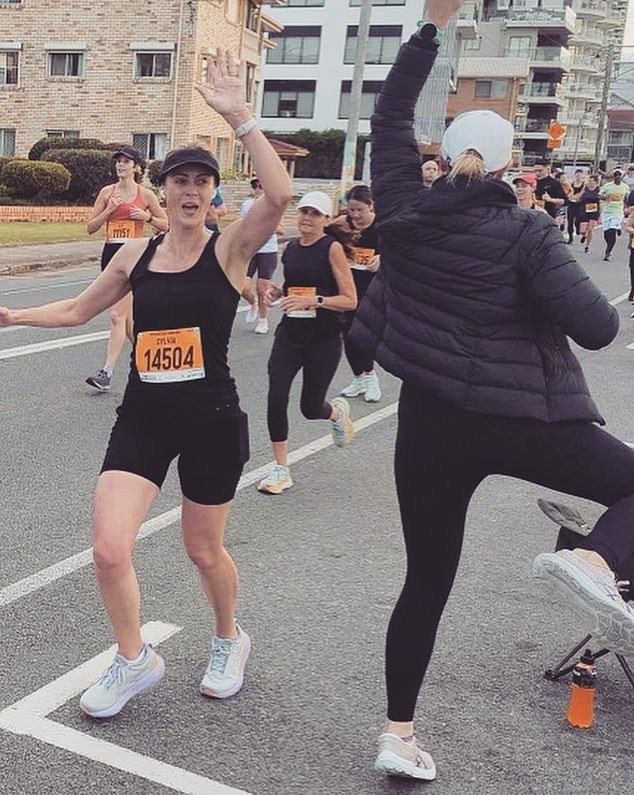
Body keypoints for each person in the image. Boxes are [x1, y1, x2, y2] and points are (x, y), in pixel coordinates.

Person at [350, 0, 634, 781]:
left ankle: (398, 733)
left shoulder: (402, 211)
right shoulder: (528, 230)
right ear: (509, 168)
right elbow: (598, 328)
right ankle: (598, 561)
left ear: (443, 157)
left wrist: (430, 27)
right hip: (521, 417)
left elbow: (388, 116)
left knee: (426, 580)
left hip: (430, 425)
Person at [0, 50, 293, 718]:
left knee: (203, 548)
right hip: (144, 416)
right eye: (179, 179)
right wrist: (14, 315)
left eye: (201, 181)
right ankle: (135, 659)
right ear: (164, 190)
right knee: (108, 548)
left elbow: (278, 197)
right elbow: (78, 310)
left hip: (211, 416)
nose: (190, 190)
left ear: (212, 193)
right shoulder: (135, 254)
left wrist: (240, 116)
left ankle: (229, 637)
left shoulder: (229, 249)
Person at [256, 191, 357, 495]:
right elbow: (293, 286)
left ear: (326, 219)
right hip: (290, 334)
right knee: (276, 396)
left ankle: (337, 414)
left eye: (315, 213)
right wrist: (277, 292)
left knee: (310, 408)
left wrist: (315, 300)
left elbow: (350, 300)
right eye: (303, 211)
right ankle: (281, 469)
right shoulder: (291, 249)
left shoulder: (332, 248)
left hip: (323, 338)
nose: (307, 218)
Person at [85, 146, 168, 391]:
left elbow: (166, 225)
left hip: (136, 257)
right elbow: (90, 227)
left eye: (125, 162)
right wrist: (109, 211)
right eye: (118, 161)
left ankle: (106, 373)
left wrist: (146, 217)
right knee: (128, 321)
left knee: (116, 315)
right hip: (111, 255)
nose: (120, 165)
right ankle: (152, 359)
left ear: (136, 167)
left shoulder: (146, 195)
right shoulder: (107, 193)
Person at [339, 184, 382, 403]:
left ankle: (371, 376)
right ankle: (359, 378)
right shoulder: (344, 225)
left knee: (362, 335)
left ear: (370, 206)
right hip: (348, 287)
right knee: (347, 334)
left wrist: (383, 259)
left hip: (374, 289)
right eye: (351, 210)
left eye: (360, 210)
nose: (355, 215)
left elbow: (401, 251)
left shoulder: (381, 227)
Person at [240, 177, 283, 335]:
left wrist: (265, 225)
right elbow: (242, 225)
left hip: (268, 249)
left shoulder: (274, 206)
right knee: (242, 285)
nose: (258, 189)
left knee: (262, 287)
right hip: (251, 249)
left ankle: (263, 320)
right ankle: (253, 303)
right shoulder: (247, 205)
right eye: (255, 185)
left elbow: (281, 229)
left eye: (261, 186)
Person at [599, 169, 629, 261]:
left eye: (619, 176)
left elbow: (626, 199)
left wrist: (626, 208)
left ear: (621, 177)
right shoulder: (607, 186)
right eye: (616, 175)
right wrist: (605, 197)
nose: (617, 177)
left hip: (618, 212)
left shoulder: (625, 187)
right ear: (613, 177)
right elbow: (599, 195)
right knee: (606, 234)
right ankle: (612, 239)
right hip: (607, 211)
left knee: (612, 231)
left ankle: (608, 251)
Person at [578, 174, 601, 255]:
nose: (590, 182)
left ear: (596, 182)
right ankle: (584, 235)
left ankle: (587, 246)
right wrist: (582, 191)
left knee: (590, 229)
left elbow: (601, 200)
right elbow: (579, 197)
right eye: (589, 181)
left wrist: (600, 215)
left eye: (592, 181)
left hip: (594, 211)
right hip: (584, 210)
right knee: (582, 230)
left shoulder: (598, 189)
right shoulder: (585, 188)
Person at [566, 169, 586, 244]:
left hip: (579, 204)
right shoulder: (571, 184)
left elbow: (582, 193)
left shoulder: (584, 184)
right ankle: (570, 238)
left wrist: (576, 197)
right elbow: (568, 193)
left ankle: (578, 228)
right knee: (570, 221)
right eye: (577, 175)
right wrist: (571, 197)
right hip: (571, 204)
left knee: (578, 220)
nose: (578, 177)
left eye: (580, 175)